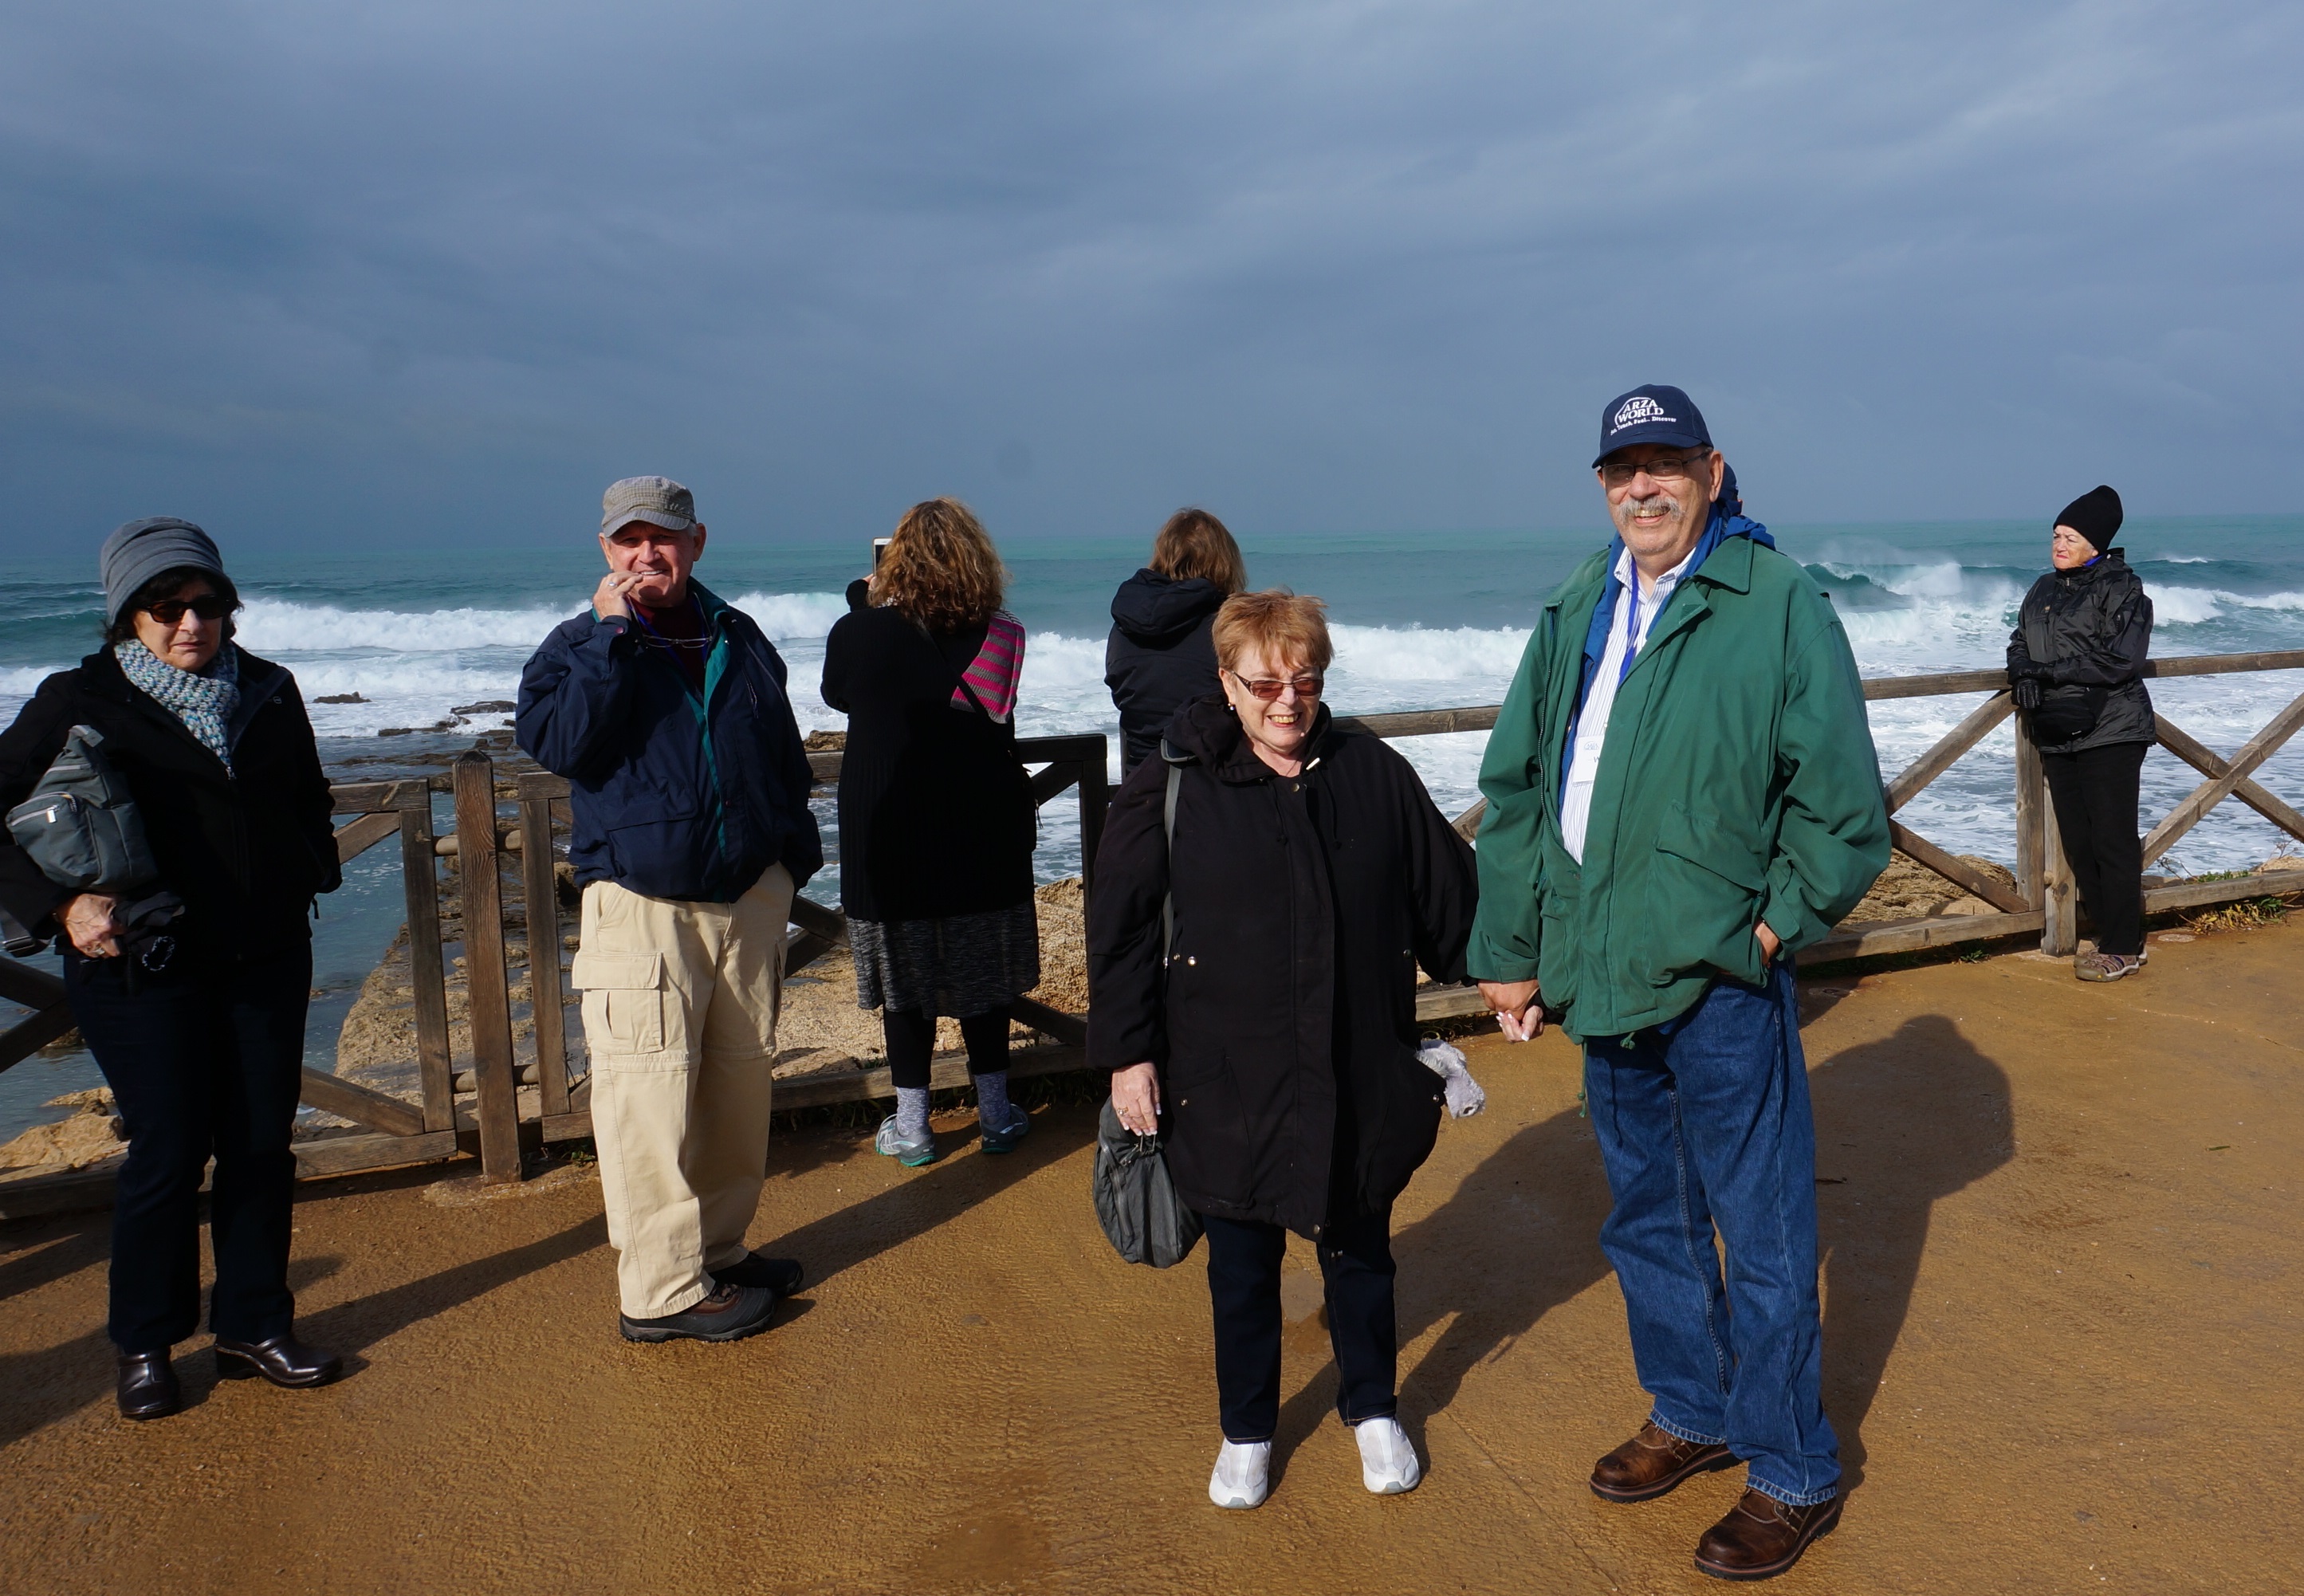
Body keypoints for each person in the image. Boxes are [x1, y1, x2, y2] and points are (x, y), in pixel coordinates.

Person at [1469, 387, 1889, 1581]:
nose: (1640, 487)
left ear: (1710, 470)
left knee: (1761, 1230)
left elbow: (1842, 805)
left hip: (1721, 977)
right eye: (1621, 469)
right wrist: (1511, 951)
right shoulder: (1578, 603)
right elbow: (1516, 789)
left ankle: (1792, 1467)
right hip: (1602, 972)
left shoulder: (1776, 602)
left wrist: (1771, 928)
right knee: (1646, 1216)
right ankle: (1692, 1407)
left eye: (1662, 464)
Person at [1090, 590, 1478, 1512]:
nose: (1287, 702)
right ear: (1226, 684)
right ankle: (1247, 1429)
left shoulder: (1372, 772)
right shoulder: (1172, 783)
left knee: (1361, 1250)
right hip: (1223, 1072)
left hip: (1358, 1065)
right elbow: (1120, 929)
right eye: (1264, 684)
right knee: (1240, 1265)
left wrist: (1513, 976)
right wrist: (1128, 1054)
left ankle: (1372, 1406)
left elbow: (1449, 902)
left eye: (1304, 681)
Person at [0, 517, 344, 1420]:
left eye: (208, 603)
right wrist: (57, 908)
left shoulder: (269, 688)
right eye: (166, 606)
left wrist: (312, 868)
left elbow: (308, 795)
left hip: (265, 956)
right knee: (168, 1150)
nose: (191, 623)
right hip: (139, 971)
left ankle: (254, 1326)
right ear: (129, 614)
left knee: (261, 1146)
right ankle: (145, 1345)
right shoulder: (79, 697)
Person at [517, 476, 823, 1346]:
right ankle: (659, 1291)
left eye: (664, 536)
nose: (646, 552)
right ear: (605, 550)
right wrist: (610, 634)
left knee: (736, 1086)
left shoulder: (738, 633)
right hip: (642, 902)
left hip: (746, 898)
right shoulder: (576, 646)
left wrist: (787, 860)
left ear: (696, 543)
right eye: (629, 539)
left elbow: (782, 753)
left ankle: (715, 1254)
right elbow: (560, 742)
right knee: (646, 1099)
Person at [822, 497, 1040, 1167]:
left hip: (892, 837)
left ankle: (913, 1126)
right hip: (983, 833)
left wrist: (864, 603)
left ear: (895, 563)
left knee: (905, 986)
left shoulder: (859, 631)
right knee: (983, 979)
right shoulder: (1003, 633)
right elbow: (996, 705)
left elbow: (838, 693)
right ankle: (996, 1114)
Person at [2007, 485, 2155, 982]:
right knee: (2078, 842)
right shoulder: (2042, 590)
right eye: (2056, 535)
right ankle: (2115, 934)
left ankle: (2123, 948)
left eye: (2071, 537)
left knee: (2112, 840)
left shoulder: (2123, 588)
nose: (2059, 544)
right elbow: (2018, 640)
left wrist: (2047, 673)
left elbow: (2121, 660)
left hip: (2113, 727)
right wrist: (2023, 673)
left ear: (2096, 544)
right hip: (2057, 729)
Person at [1105, 508, 1248, 773]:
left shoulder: (1125, 622)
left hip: (1141, 778)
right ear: (1225, 559)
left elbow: (1121, 689)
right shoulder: (1228, 624)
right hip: (1218, 776)